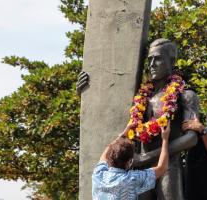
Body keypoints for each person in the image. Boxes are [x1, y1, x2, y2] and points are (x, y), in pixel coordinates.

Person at [78, 38, 200, 200]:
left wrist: (145, 158)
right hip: (137, 169)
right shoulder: (140, 96)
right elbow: (106, 100)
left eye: (158, 59)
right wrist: (85, 92)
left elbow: (191, 139)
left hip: (168, 167)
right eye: (149, 60)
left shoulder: (186, 96)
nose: (152, 64)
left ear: (171, 61)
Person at [92, 122, 171, 200]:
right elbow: (162, 168)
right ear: (129, 162)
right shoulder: (131, 180)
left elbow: (106, 152)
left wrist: (123, 134)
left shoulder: (98, 173)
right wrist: (165, 139)